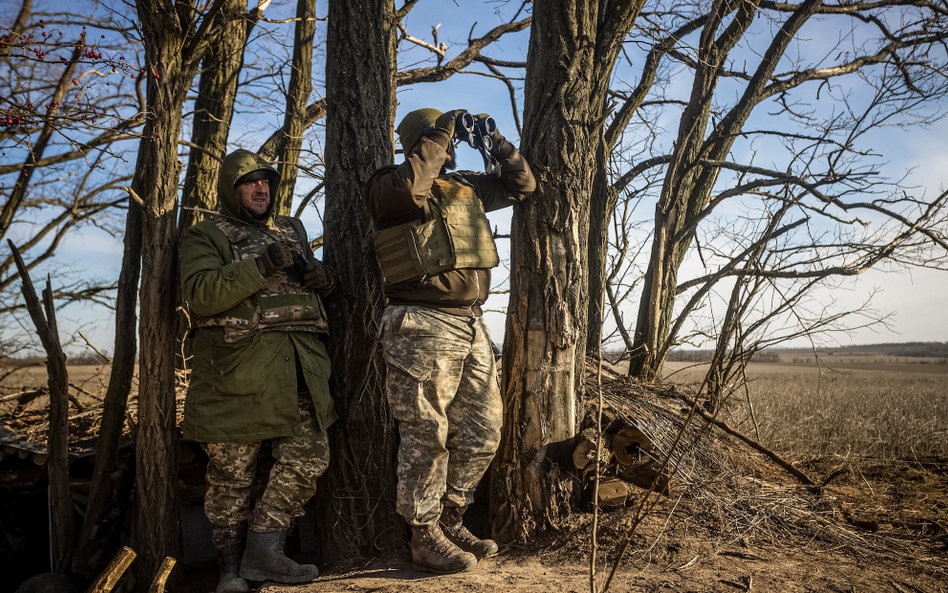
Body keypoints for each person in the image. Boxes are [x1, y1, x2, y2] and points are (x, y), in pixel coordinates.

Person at [366, 108, 536, 573]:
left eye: (451, 137)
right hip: (420, 321)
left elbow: (523, 186)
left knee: (485, 428)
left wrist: (498, 142)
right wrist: (441, 129)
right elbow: (409, 186)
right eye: (439, 139)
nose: (450, 144)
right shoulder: (390, 185)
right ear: (419, 143)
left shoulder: (464, 187)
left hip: (470, 323)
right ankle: (423, 535)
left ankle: (450, 516)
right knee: (426, 433)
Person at [179, 149, 336, 592]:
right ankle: (229, 569)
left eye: (265, 181)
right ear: (231, 190)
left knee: (310, 456)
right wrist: (261, 265)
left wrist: (323, 278)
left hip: (300, 366)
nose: (260, 188)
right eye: (249, 182)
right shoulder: (204, 235)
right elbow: (201, 295)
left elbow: (314, 289)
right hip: (237, 372)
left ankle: (264, 549)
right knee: (232, 476)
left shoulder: (292, 229)